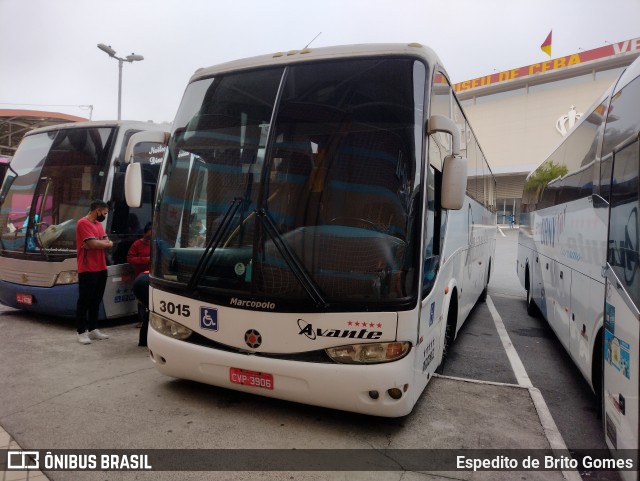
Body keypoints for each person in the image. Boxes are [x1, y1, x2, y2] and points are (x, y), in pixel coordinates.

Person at [75, 200, 112, 345]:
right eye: (104, 212)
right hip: (87, 268)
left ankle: (93, 328)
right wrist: (98, 244)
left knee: (96, 300)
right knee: (84, 300)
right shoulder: (83, 223)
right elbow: (92, 244)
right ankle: (81, 331)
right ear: (97, 210)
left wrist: (100, 244)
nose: (104, 215)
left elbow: (106, 243)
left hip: (101, 267)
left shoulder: (98, 225)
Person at [132, 272, 150, 347]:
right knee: (152, 312)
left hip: (139, 279)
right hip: (147, 282)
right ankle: (144, 341)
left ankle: (143, 340)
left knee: (150, 312)